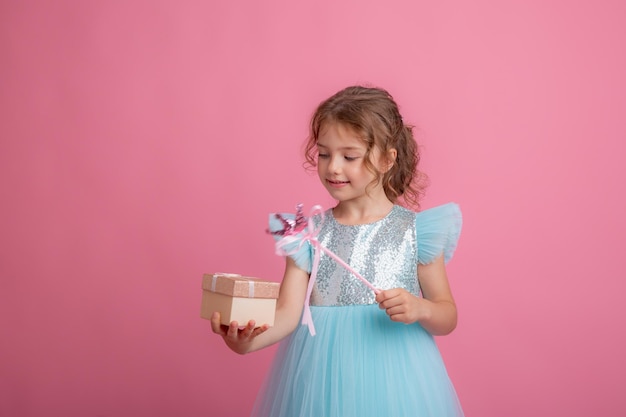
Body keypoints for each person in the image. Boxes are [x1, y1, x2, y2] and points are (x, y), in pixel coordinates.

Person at [211, 85, 464, 416]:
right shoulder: (308, 234)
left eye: (349, 156)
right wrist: (246, 343)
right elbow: (288, 313)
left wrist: (421, 309)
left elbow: (447, 315)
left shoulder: (414, 231)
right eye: (325, 154)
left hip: (395, 378)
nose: (333, 168)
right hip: (323, 376)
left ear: (388, 159)